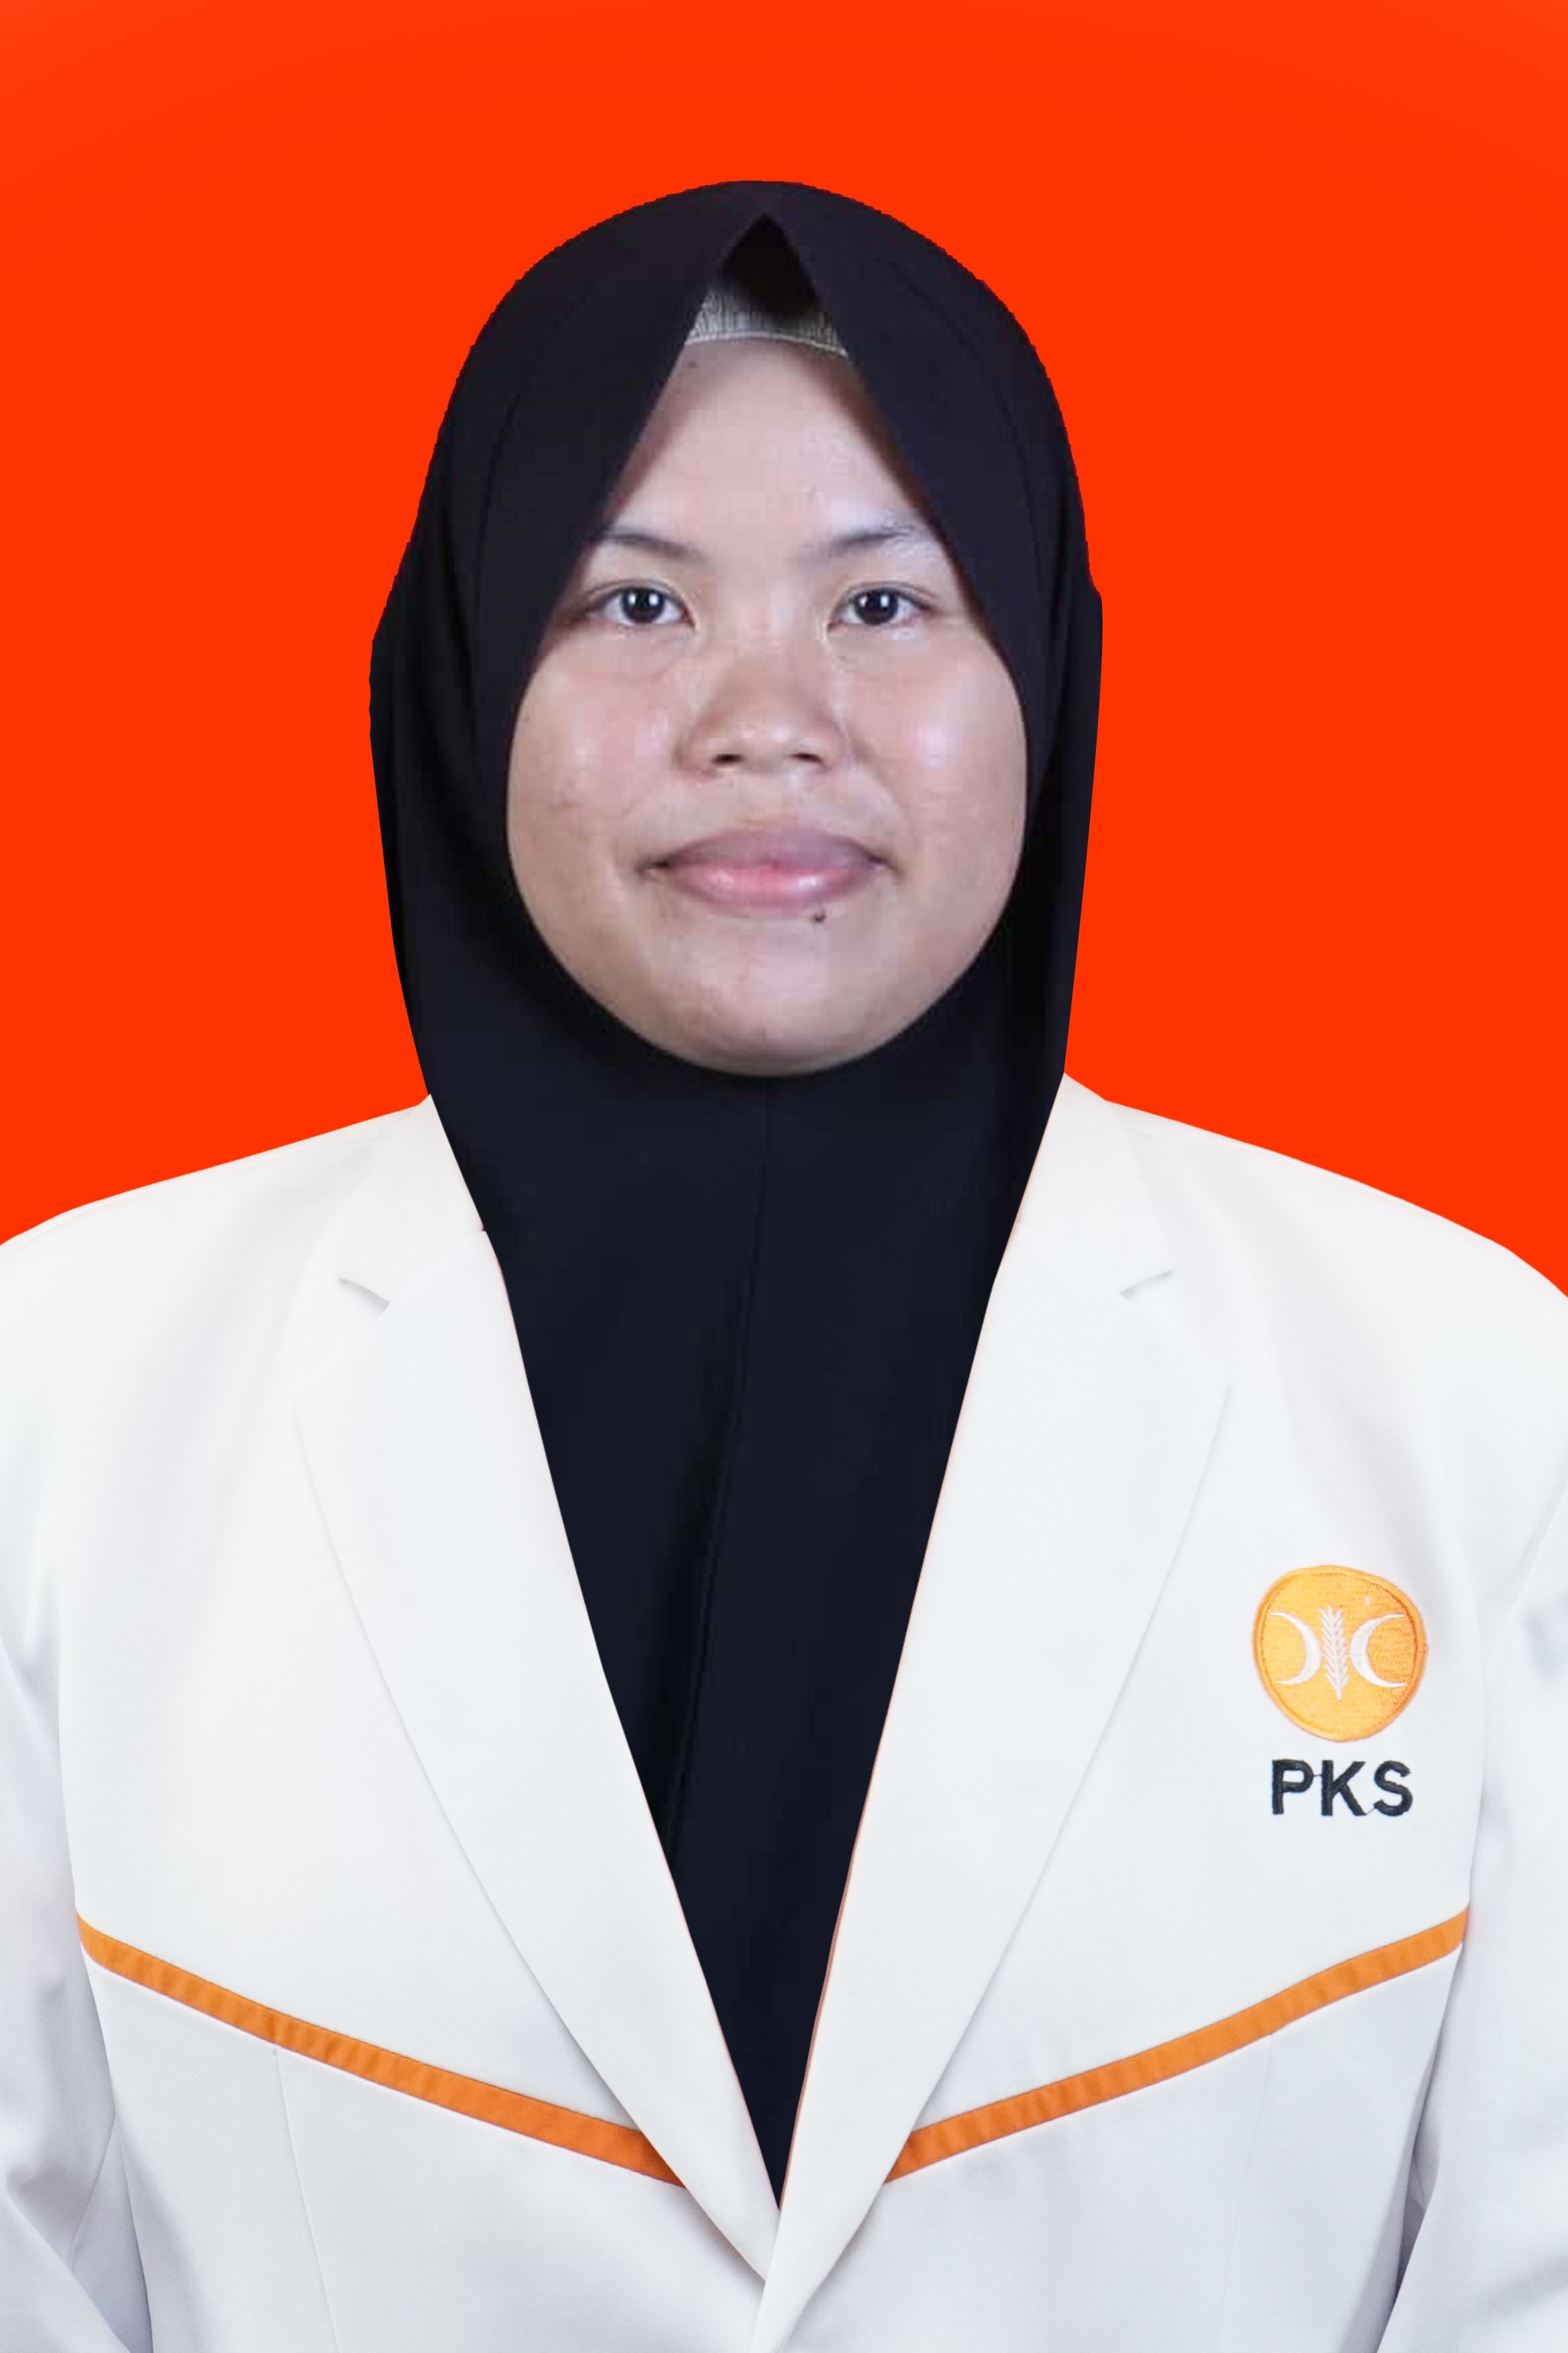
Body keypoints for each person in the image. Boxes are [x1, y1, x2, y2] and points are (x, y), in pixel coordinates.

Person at [1, 180, 1565, 2353]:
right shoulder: (67, 1384)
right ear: (465, 668)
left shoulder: (1467, 1390)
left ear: (1041, 665)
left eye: (885, 602)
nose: (765, 712)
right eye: (634, 600)